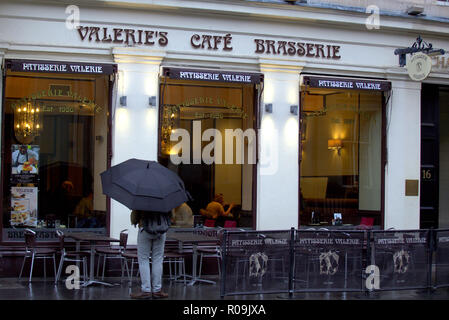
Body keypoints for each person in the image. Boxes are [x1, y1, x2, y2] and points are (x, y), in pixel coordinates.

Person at [130, 210, 170, 299]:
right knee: (158, 259)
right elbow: (171, 215)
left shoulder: (142, 198)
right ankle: (157, 290)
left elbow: (134, 217)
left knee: (143, 259)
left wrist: (135, 221)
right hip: (161, 230)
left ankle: (146, 290)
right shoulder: (163, 198)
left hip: (145, 229)